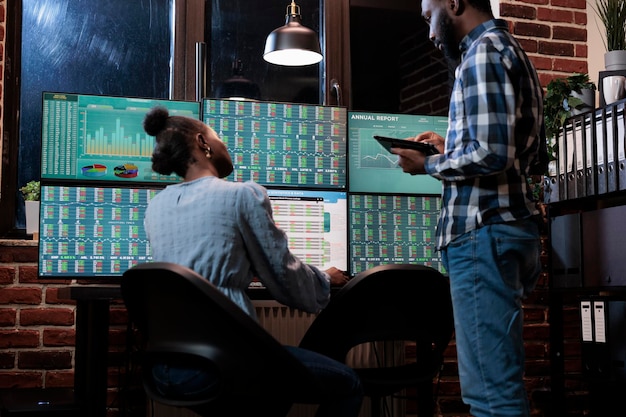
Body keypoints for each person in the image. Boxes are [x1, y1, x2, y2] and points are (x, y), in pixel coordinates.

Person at [141, 106, 363, 417]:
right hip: (225, 363)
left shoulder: (156, 207)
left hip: (167, 368)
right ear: (203, 143)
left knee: (275, 397)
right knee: (348, 383)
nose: (226, 146)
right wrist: (325, 279)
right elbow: (284, 278)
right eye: (221, 140)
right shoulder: (241, 196)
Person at [391, 0, 548, 416]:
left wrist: (429, 164)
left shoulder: (481, 53)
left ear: (454, 3)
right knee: (500, 382)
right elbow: (515, 151)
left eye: (429, 16)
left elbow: (493, 152)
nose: (429, 33)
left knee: (490, 395)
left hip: (482, 231)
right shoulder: (511, 50)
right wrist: (451, 148)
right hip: (504, 225)